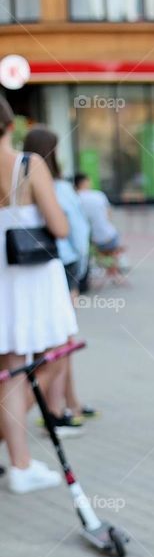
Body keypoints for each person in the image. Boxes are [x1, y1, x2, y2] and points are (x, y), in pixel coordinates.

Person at [0, 95, 74, 493]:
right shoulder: (30, 165)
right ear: (11, 126)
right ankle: (20, 462)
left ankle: (18, 457)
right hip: (31, 278)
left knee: (10, 365)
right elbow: (59, 227)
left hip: (2, 279)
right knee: (54, 356)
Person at [22, 128, 93, 432]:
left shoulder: (18, 181)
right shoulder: (59, 188)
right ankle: (57, 410)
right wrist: (83, 266)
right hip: (62, 267)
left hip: (31, 268)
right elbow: (75, 232)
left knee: (48, 344)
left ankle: (67, 404)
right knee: (62, 343)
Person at [73, 173, 126, 281]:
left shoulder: (75, 198)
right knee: (113, 237)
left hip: (91, 243)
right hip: (109, 238)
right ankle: (115, 271)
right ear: (85, 182)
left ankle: (101, 268)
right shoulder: (98, 195)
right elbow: (109, 215)